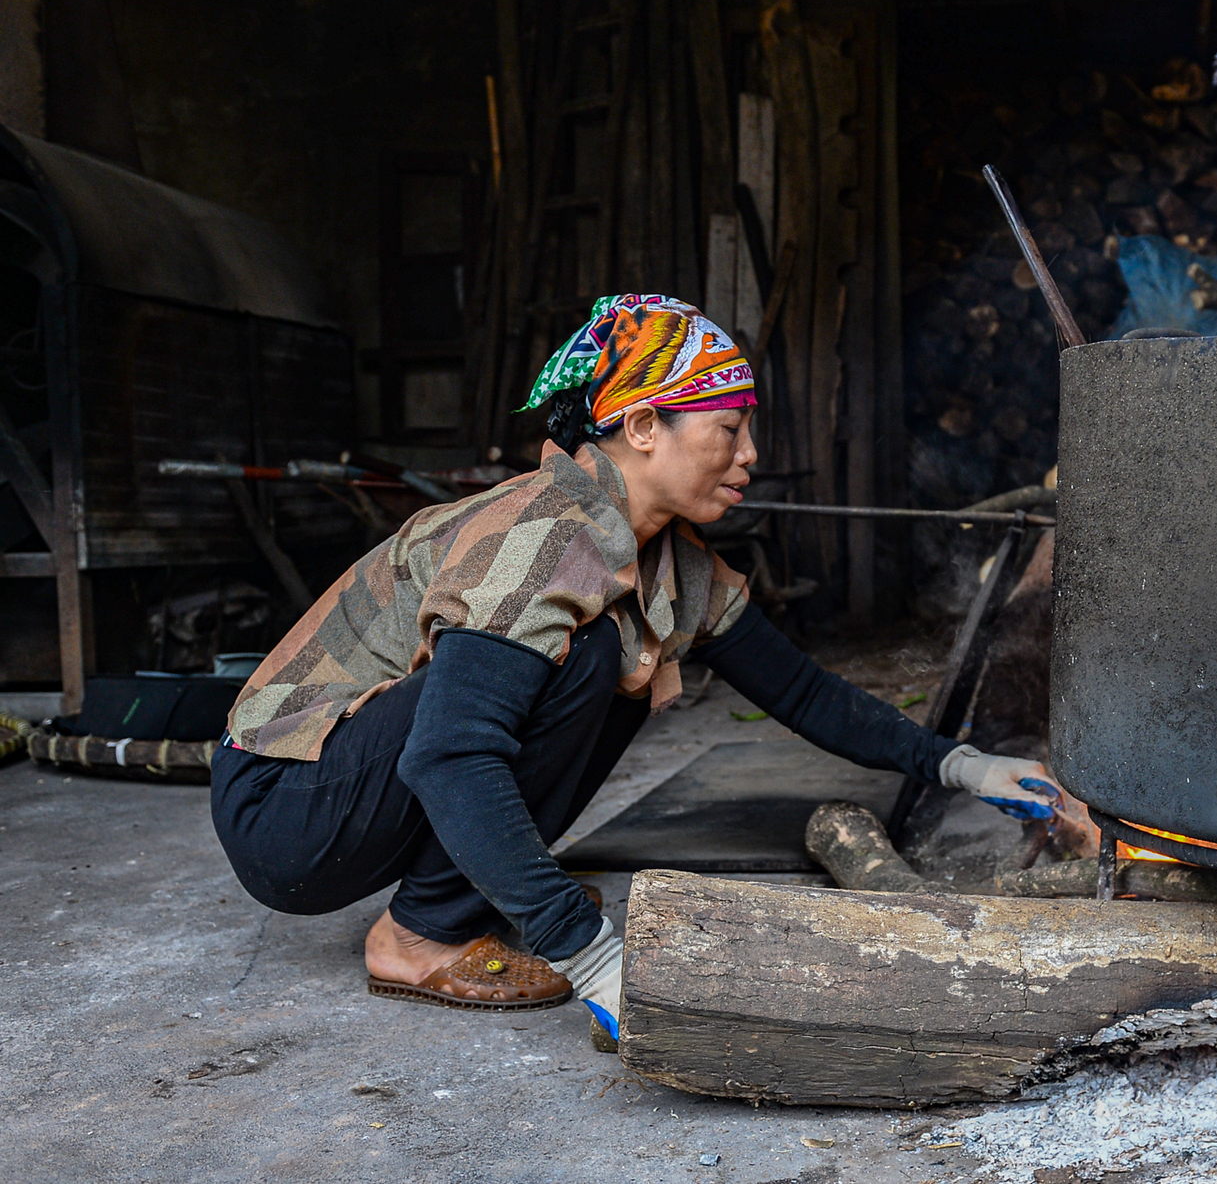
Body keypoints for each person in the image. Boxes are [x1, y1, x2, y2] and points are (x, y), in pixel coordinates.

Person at [210, 294, 1091, 1046]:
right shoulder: (543, 537)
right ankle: (418, 936)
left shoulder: (669, 561)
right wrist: (589, 951)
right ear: (641, 428)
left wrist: (961, 763)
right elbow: (447, 756)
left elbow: (801, 691)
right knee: (589, 655)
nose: (749, 454)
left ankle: (456, 898)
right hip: (287, 801)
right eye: (729, 429)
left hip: (359, 784)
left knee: (625, 652)